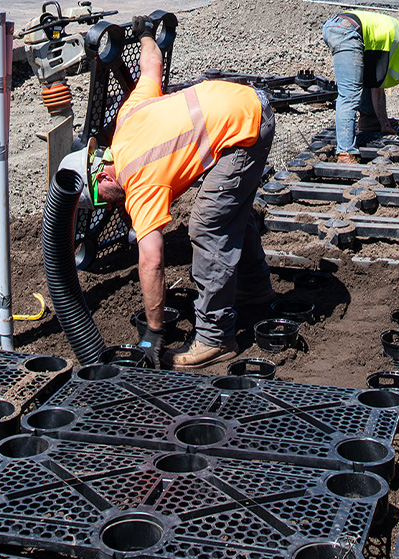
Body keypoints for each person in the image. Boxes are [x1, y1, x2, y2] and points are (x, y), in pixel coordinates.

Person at [60, 14, 276, 369]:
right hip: (242, 102)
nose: (108, 207)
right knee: (226, 205)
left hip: (246, 126)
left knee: (207, 225)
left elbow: (152, 260)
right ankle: (253, 287)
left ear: (102, 180)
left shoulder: (138, 183)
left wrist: (153, 331)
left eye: (101, 201)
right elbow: (151, 67)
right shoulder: (127, 121)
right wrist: (146, 34)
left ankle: (215, 338)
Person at [321, 10, 399, 164]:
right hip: (348, 30)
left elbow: (376, 88)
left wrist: (384, 125)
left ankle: (369, 122)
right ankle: (345, 152)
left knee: (364, 82)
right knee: (349, 94)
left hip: (336, 25)